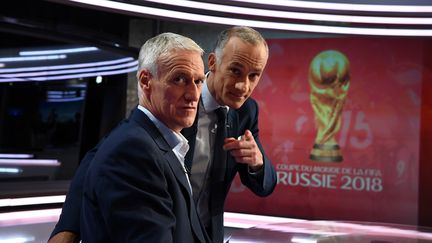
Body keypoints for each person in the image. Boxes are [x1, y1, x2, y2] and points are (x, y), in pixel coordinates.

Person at [49, 26, 277, 243]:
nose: (242, 86)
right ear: (213, 63)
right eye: (235, 71)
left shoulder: (246, 111)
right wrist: (67, 229)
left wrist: (257, 163)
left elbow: (264, 186)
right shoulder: (171, 105)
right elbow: (104, 158)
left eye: (254, 75)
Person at [79, 32, 208, 242]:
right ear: (146, 80)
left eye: (198, 81)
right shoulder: (134, 151)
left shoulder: (152, 141)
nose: (194, 94)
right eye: (180, 79)